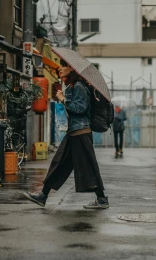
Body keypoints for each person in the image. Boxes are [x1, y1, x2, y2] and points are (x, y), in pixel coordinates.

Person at [23, 61, 109, 209]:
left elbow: (80, 109)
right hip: (74, 132)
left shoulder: (80, 87)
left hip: (81, 133)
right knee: (59, 163)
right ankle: (43, 195)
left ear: (72, 68)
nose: (60, 69)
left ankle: (101, 198)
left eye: (63, 66)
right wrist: (64, 94)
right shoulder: (73, 87)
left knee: (88, 165)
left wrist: (63, 99)